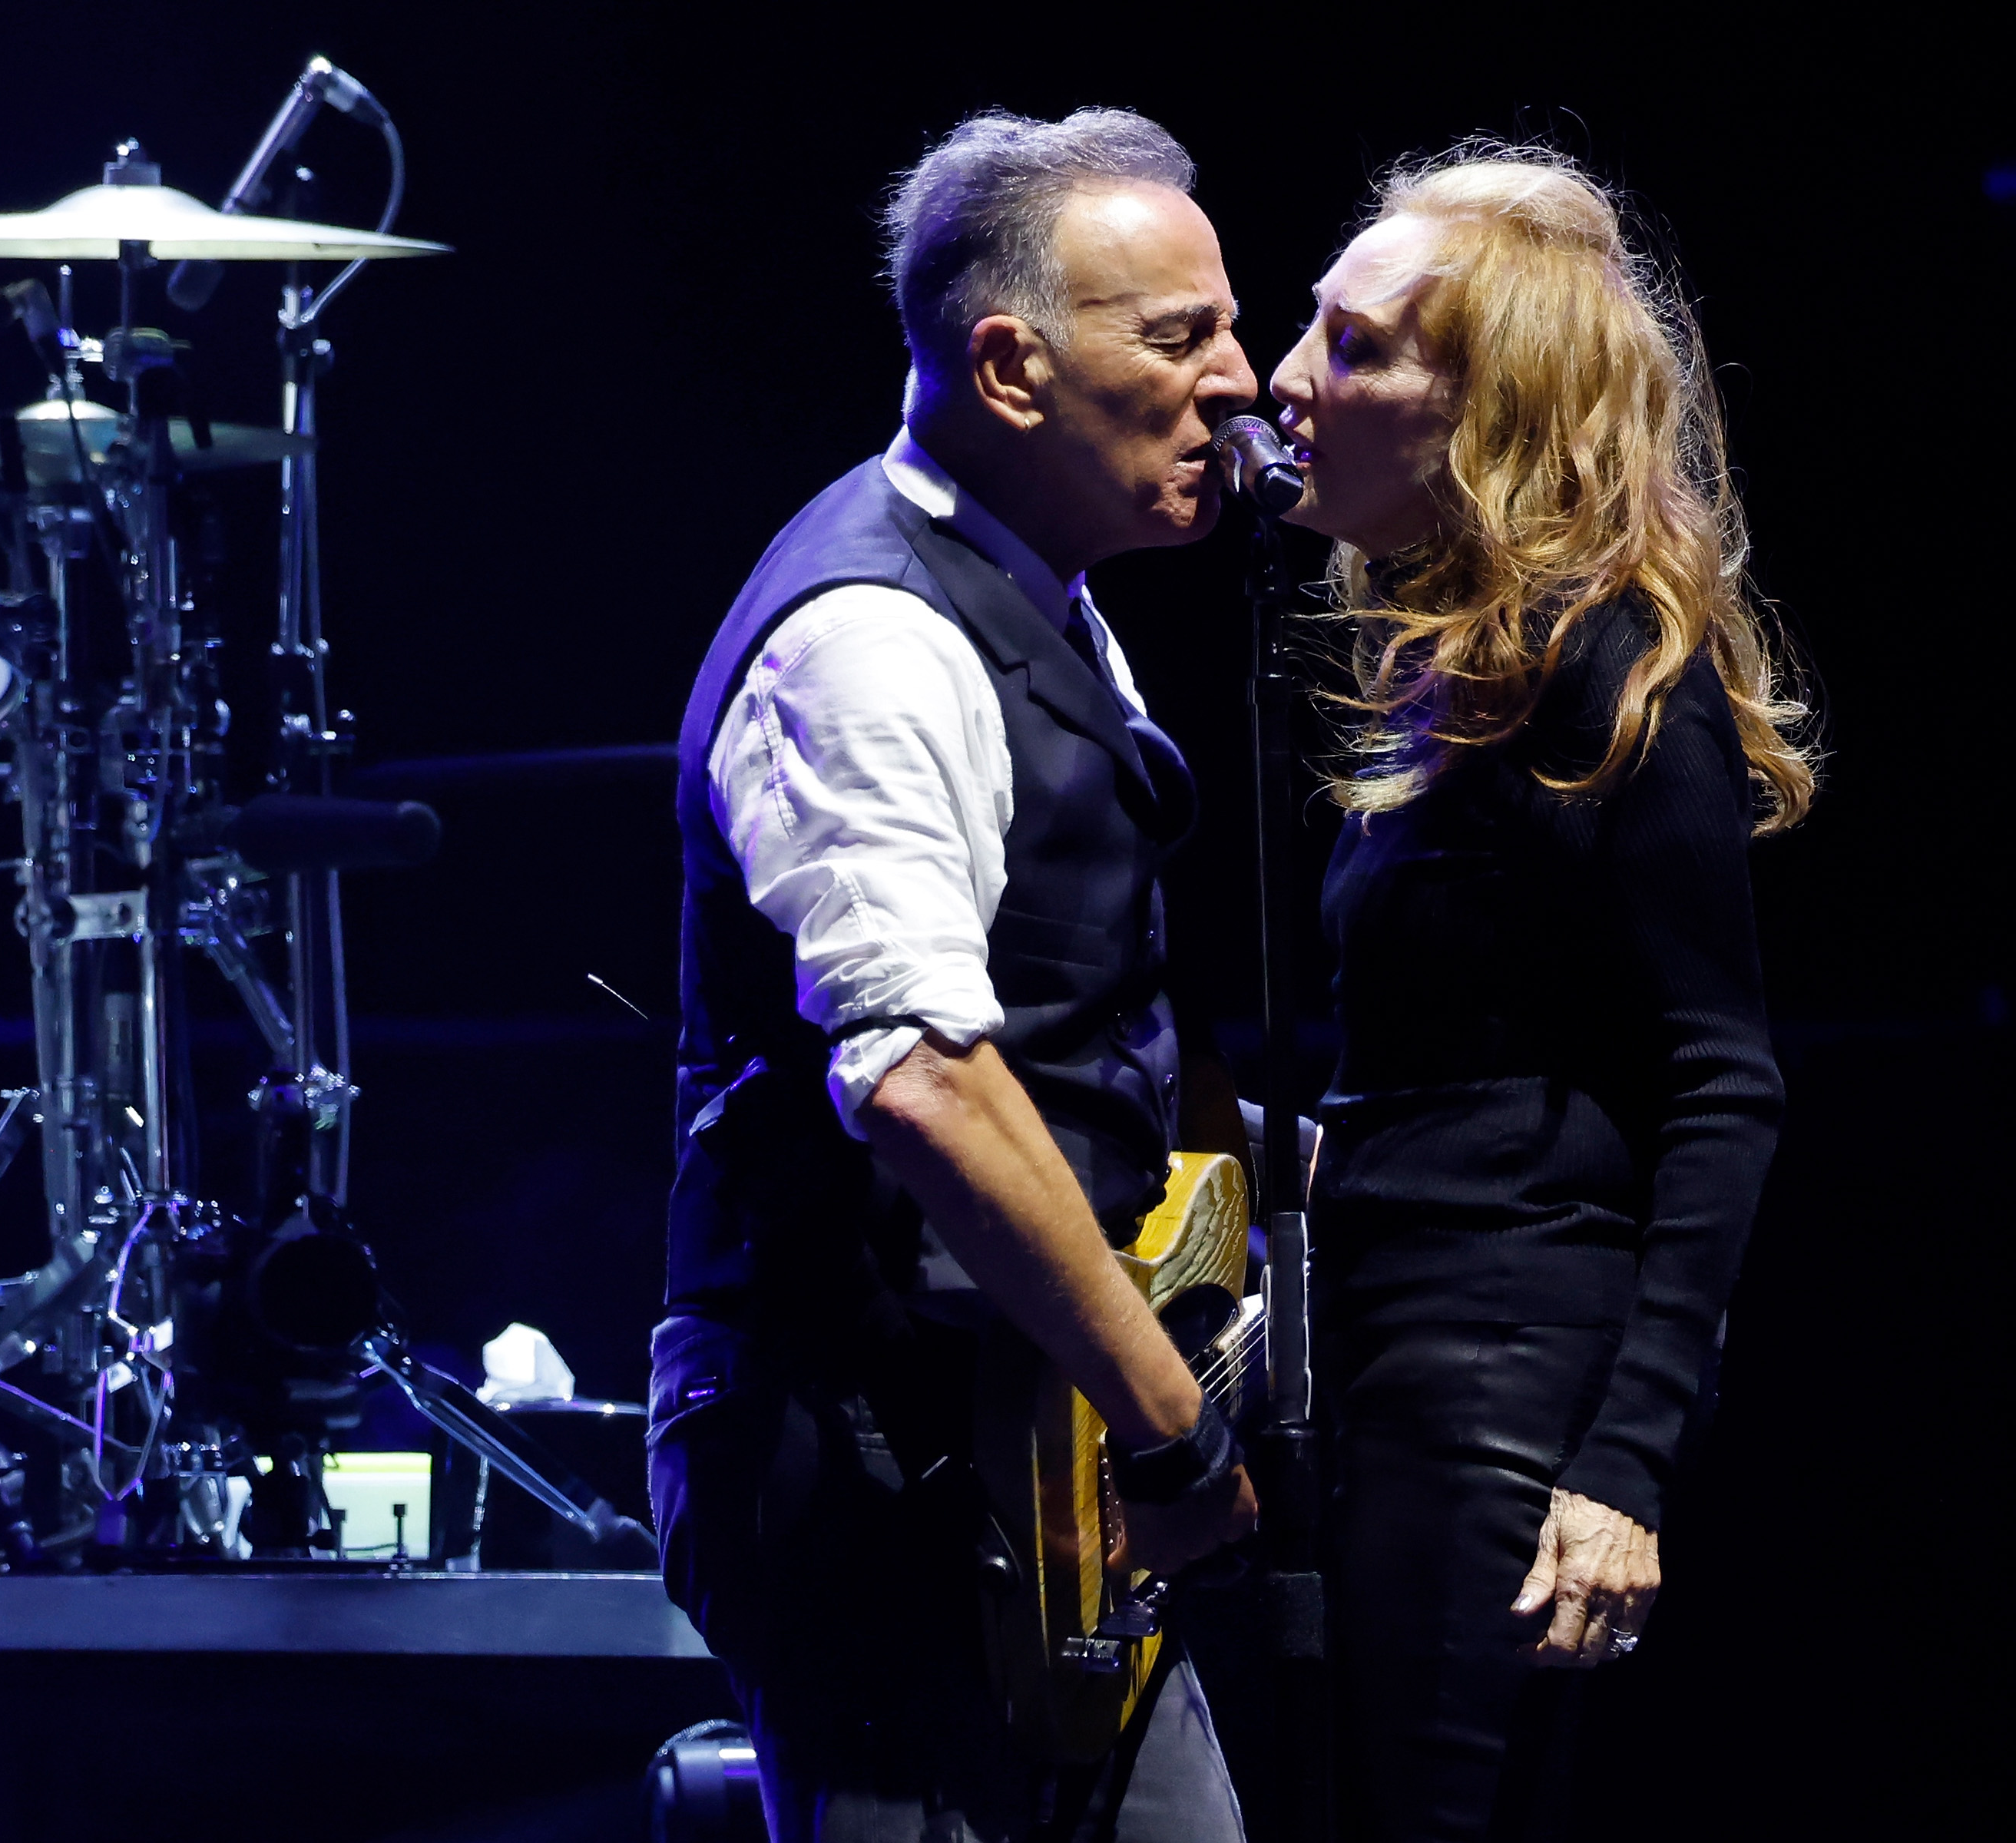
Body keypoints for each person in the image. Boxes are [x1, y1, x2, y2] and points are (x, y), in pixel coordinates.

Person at [649, 108, 1261, 1842]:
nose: (1245, 382)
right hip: (881, 1469)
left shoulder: (1039, 596)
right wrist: (1171, 1425)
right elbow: (917, 1073)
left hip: (1031, 1445)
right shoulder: (872, 639)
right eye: (1183, 337)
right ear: (1008, 368)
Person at [1266, 147, 1816, 1838]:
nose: (1288, 382)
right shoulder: (1468, 675)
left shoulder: (1615, 673)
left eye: (1355, 349)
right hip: (1404, 1351)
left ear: (1487, 410)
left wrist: (1622, 1471)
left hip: (1497, 1374)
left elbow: (1725, 1082)